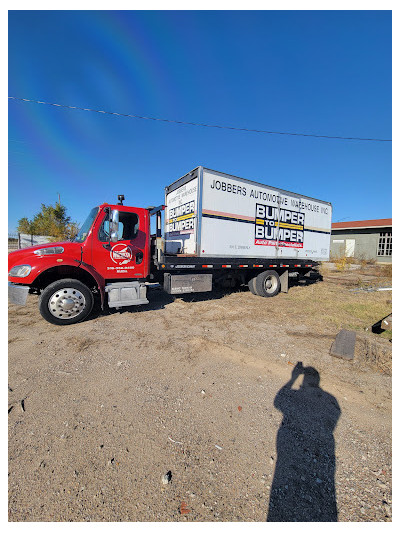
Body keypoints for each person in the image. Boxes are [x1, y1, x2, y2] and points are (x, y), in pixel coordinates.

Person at [267, 362, 341, 522]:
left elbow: (277, 401)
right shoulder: (331, 400)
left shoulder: (323, 399)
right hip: (323, 449)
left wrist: (293, 378)